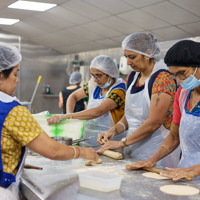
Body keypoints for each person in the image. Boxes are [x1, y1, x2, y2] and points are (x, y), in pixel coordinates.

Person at [0, 44, 98, 200]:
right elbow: (53, 150)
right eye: (15, 74)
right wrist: (83, 152)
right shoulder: (12, 110)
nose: (17, 80)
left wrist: (17, 164)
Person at [97, 32, 179, 167]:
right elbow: (131, 115)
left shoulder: (162, 79)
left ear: (147, 54)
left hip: (157, 154)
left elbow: (154, 122)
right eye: (126, 57)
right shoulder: (132, 78)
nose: (128, 62)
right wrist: (113, 130)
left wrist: (121, 142)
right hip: (133, 148)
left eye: (132, 57)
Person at [125, 40, 200, 181]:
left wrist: (195, 170)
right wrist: (153, 159)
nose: (179, 80)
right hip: (183, 174)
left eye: (182, 73)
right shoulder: (183, 94)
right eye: (175, 75)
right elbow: (174, 136)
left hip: (192, 172)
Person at [47, 55, 126, 146]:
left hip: (110, 142)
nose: (95, 79)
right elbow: (73, 96)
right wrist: (69, 116)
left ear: (110, 73)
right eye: (93, 75)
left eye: (98, 75)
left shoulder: (119, 90)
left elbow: (98, 111)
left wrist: (68, 116)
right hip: (89, 140)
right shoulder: (94, 86)